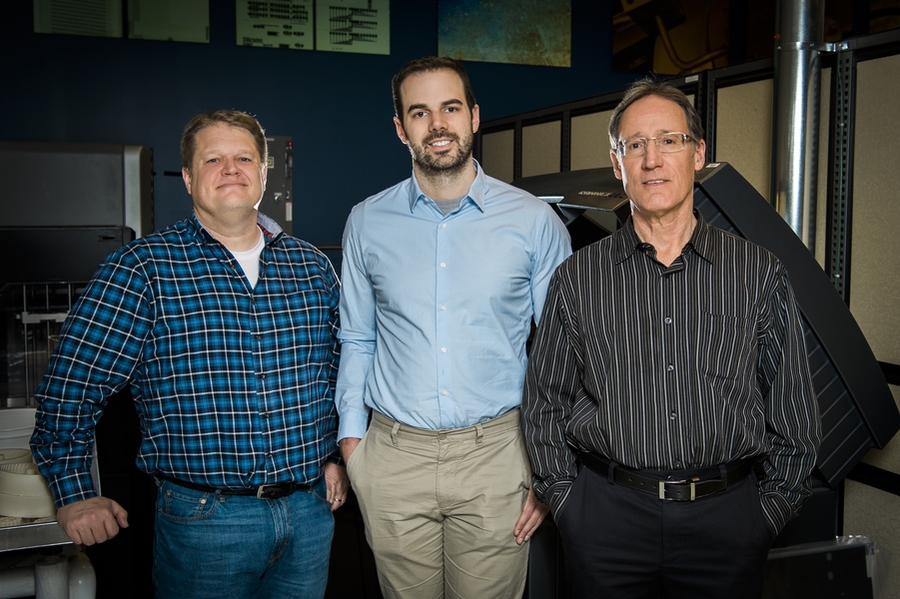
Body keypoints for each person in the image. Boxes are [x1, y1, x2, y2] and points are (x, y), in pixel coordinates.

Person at [521, 79, 822, 598]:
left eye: (669, 141)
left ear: (698, 154)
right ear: (617, 163)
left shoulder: (756, 272)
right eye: (634, 145)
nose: (652, 159)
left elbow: (792, 406)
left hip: (727, 523)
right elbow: (545, 399)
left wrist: (766, 514)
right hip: (607, 523)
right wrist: (568, 503)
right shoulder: (578, 278)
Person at [31, 109, 348, 599]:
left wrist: (332, 456)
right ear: (187, 177)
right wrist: (75, 494)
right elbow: (70, 386)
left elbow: (335, 374)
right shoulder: (143, 269)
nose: (231, 169)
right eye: (213, 159)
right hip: (205, 523)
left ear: (264, 174)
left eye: (244, 158)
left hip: (309, 514)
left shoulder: (312, 267)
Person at [335, 56, 571, 599]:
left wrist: (551, 467)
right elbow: (358, 339)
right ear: (401, 128)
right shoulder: (366, 221)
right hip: (393, 456)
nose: (437, 124)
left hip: (497, 456)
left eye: (450, 108)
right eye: (420, 112)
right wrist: (353, 447)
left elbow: (563, 353)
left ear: (474, 116)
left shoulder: (533, 222)